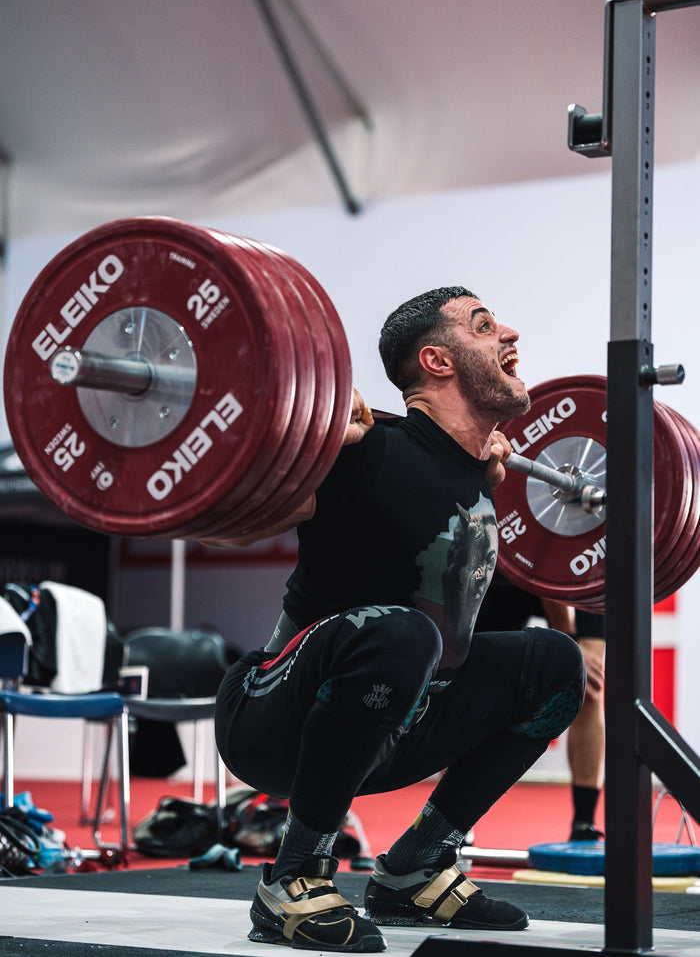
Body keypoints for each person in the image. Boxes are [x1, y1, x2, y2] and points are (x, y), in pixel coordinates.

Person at [210, 286, 586, 952]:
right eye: (485, 325)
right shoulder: (363, 449)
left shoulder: (479, 470)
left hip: (395, 722)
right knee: (403, 631)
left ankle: (416, 866)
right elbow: (227, 531)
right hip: (272, 714)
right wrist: (303, 446)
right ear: (438, 361)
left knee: (559, 665)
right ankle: (293, 878)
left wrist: (482, 465)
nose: (511, 335)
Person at [475, 576, 605, 841]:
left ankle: (583, 824)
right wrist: (567, 640)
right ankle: (448, 828)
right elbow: (547, 576)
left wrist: (573, 659)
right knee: (472, 685)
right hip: (511, 571)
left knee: (588, 685)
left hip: (583, 570)